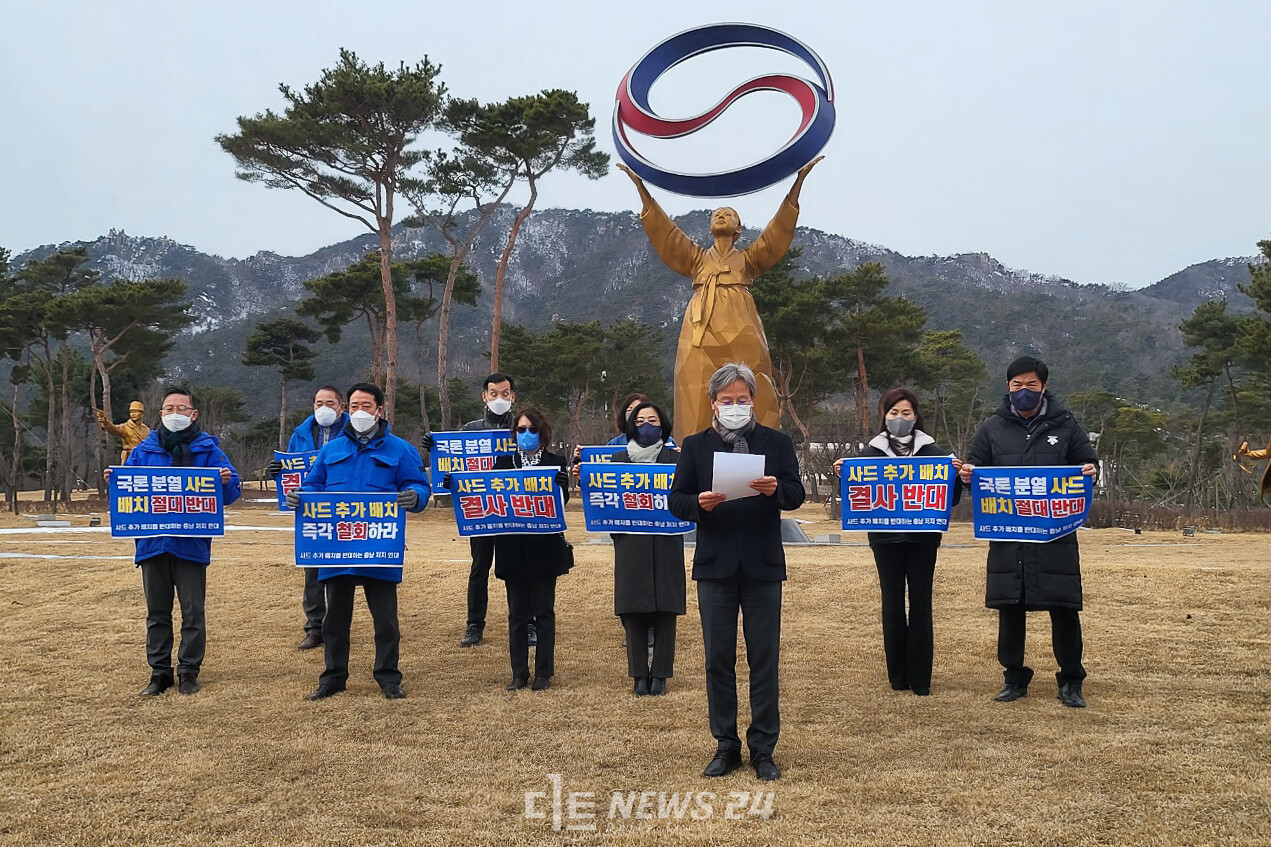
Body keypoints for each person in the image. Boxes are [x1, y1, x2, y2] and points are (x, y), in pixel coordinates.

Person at [618, 157, 821, 444]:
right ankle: (692, 453)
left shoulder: (748, 260)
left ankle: (764, 449)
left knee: (755, 385)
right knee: (693, 390)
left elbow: (775, 235)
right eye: (717, 214)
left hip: (743, 326)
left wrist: (796, 187)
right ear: (710, 228)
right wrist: (643, 191)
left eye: (729, 213)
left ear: (738, 229)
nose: (722, 215)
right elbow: (667, 235)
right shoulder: (697, 259)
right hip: (700, 327)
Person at [668, 363, 805, 781]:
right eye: (726, 401)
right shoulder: (695, 446)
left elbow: (796, 494)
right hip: (715, 564)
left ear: (753, 402)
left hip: (763, 565)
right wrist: (700, 504)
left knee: (764, 658)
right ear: (713, 403)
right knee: (718, 659)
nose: (734, 407)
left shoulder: (776, 442)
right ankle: (725, 744)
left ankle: (763, 747)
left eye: (741, 400)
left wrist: (775, 491)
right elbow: (677, 500)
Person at [958, 356, 1098, 709]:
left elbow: (1088, 463)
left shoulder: (1066, 425)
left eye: (1031, 385)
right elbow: (978, 473)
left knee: (1063, 608)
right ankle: (1014, 677)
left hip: (1055, 534)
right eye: (1017, 384)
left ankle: (1071, 679)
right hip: (1009, 533)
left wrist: (1089, 471)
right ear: (1008, 387)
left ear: (1044, 387)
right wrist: (969, 476)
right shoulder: (991, 428)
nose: (1024, 391)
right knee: (1010, 606)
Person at [292, 382, 431, 701]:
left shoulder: (400, 449)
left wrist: (416, 497)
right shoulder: (331, 450)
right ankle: (333, 677)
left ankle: (388, 676)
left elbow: (418, 484)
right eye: (353, 406)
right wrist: (301, 497)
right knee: (334, 620)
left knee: (385, 621)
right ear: (345, 410)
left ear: (379, 411)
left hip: (380, 546)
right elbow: (314, 485)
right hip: (337, 547)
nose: (359, 412)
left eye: (366, 406)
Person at [105, 386, 241, 697]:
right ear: (161, 414)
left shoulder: (208, 450)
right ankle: (160, 672)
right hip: (152, 544)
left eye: (181, 409)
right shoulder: (143, 450)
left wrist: (225, 482)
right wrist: (116, 483)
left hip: (191, 545)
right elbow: (128, 491)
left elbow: (232, 491)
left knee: (193, 611)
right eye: (169, 409)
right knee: (157, 611)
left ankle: (189, 671)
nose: (175, 414)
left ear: (194, 415)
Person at [833, 389, 963, 696]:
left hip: (923, 539)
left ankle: (920, 678)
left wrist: (956, 477)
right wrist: (842, 474)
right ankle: (897, 676)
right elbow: (854, 495)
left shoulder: (934, 453)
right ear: (884, 416)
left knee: (921, 604)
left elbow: (951, 499)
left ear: (916, 416)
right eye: (893, 413)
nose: (900, 419)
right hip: (885, 539)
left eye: (906, 413)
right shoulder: (870, 454)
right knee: (891, 604)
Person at [422, 373, 520, 649]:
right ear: (484, 396)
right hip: (480, 510)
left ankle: (526, 623)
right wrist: (435, 448)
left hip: (514, 510)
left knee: (517, 570)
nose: (499, 399)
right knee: (479, 569)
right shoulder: (470, 430)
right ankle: (474, 624)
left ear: (513, 396)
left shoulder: (524, 427)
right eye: (493, 393)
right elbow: (452, 468)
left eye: (504, 393)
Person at [492, 408, 572, 692]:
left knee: (544, 611)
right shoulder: (503, 463)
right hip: (512, 547)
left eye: (532, 429)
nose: (527, 435)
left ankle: (543, 672)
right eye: (522, 429)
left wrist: (563, 488)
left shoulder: (555, 462)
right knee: (516, 614)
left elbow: (559, 510)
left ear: (543, 432)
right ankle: (518, 672)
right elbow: (490, 499)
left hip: (544, 547)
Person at [609, 401, 686, 696]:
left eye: (652, 420)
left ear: (663, 425)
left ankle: (661, 674)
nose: (646, 425)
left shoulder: (675, 460)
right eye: (639, 420)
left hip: (667, 542)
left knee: (666, 608)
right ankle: (639, 674)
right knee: (632, 608)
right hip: (630, 543)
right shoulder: (618, 461)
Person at [266, 385, 349, 651]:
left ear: (341, 407)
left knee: (341, 572)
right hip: (312, 512)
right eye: (318, 403)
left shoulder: (352, 433)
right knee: (312, 572)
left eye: (329, 402)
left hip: (345, 509)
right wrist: (278, 472)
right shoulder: (301, 434)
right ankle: (315, 627)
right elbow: (292, 471)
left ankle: (337, 626)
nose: (323, 408)